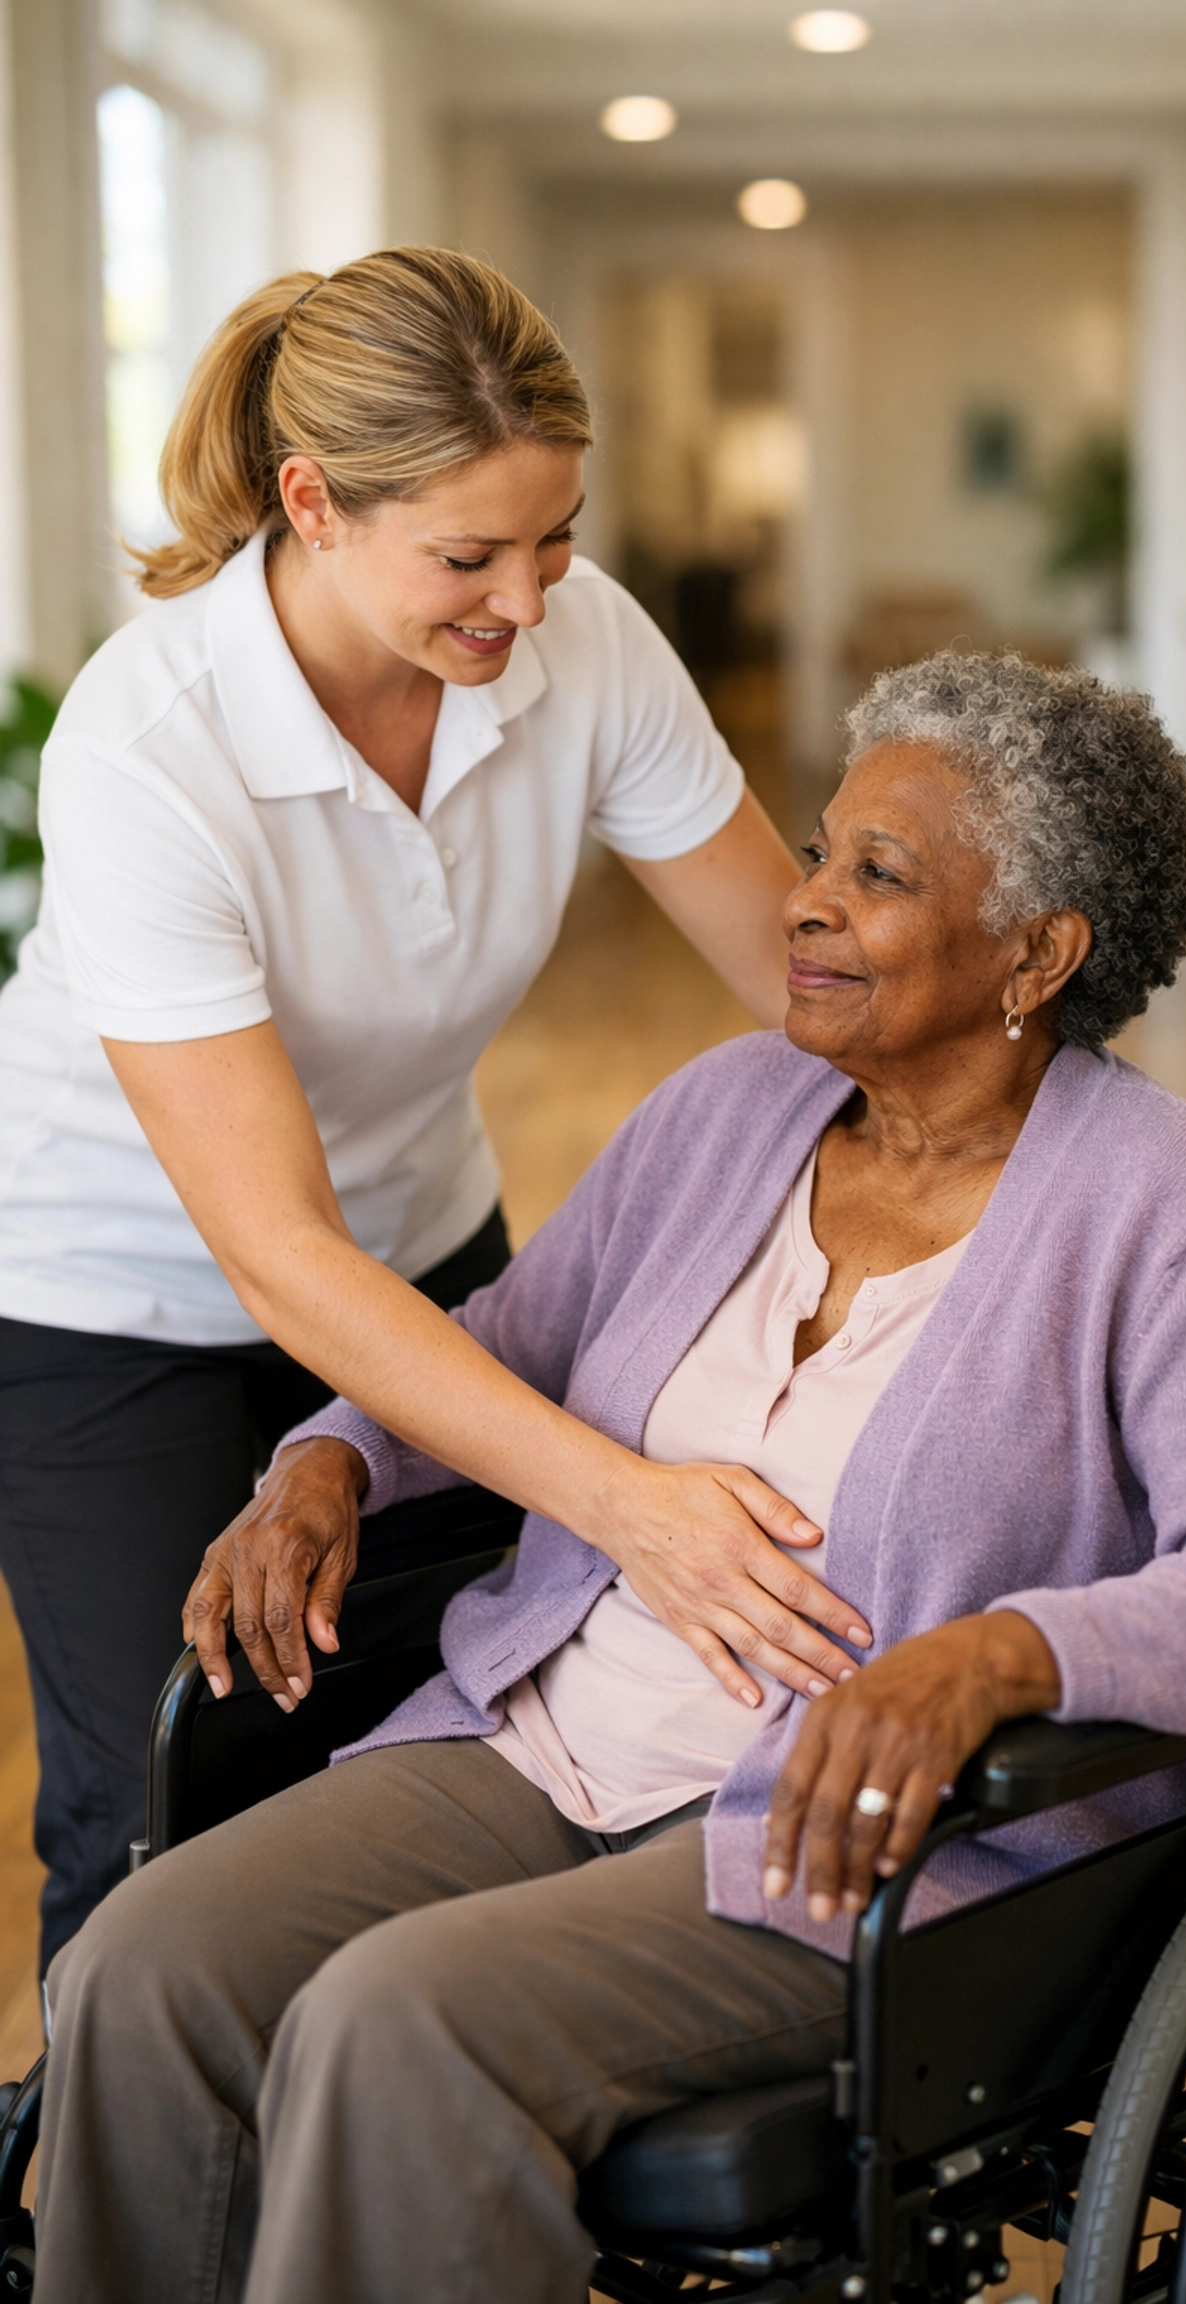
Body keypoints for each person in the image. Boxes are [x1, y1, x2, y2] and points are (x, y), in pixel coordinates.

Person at [36, 653, 1186, 2304]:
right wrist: (326, 1457)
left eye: (875, 876)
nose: (800, 904)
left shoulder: (1169, 1207)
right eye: (820, 852)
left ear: (1038, 952)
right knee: (143, 1965)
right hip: (545, 1740)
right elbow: (499, 1341)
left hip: (849, 1841)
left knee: (393, 2026)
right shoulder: (732, 1109)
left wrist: (999, 1653)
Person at [0, 245, 866, 1972]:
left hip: (428, 1243)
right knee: (162, 1807)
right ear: (310, 505)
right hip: (117, 1298)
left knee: (420, 1723)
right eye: (469, 557)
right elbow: (276, 1251)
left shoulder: (582, 643)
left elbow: (806, 976)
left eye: (556, 540)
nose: (528, 602)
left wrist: (1072, 1133)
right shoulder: (146, 743)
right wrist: (631, 1501)